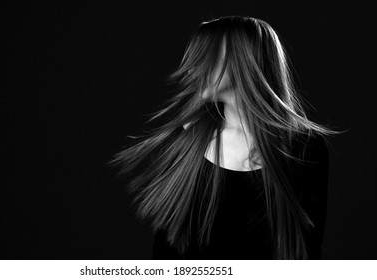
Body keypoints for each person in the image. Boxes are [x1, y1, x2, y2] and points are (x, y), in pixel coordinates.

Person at [107, 15, 343, 260]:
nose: (191, 69)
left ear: (243, 62)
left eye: (205, 57)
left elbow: (307, 253)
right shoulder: (185, 142)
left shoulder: (305, 149)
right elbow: (165, 254)